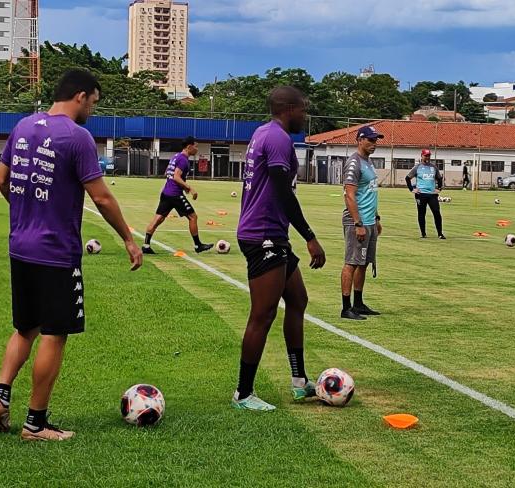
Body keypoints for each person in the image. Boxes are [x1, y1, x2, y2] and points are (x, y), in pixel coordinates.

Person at [0, 69, 143, 440]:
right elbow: (101, 196)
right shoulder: (77, 137)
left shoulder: (22, 126)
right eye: (93, 102)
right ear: (80, 96)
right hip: (55, 251)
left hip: (20, 246)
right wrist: (128, 239)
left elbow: (0, 181)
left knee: (26, 327)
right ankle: (35, 424)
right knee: (54, 334)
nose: (92, 109)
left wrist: (26, 212)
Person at [232, 86, 326, 411]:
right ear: (288, 108)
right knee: (263, 314)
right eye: (303, 108)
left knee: (298, 299)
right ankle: (243, 394)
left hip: (273, 233)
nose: (306, 114)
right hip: (264, 235)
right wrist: (310, 236)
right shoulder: (278, 139)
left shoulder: (263, 133)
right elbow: (284, 192)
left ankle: (300, 382)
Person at [341, 125, 383, 320]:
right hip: (357, 222)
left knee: (364, 262)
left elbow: (370, 193)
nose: (374, 144)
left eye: (376, 140)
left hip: (369, 221)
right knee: (351, 262)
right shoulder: (354, 163)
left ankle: (358, 304)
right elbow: (349, 195)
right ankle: (346, 307)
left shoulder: (368, 162)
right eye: (371, 140)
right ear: (360, 139)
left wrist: (376, 218)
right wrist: (358, 224)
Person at [142, 137, 212, 254]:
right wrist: (190, 188)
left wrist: (183, 187)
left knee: (158, 218)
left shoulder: (175, 156)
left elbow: (168, 173)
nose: (197, 149)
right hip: (175, 195)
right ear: (189, 146)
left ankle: (146, 245)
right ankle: (198, 245)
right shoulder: (183, 160)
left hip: (166, 193)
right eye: (196, 146)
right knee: (193, 217)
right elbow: (176, 176)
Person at [405, 149, 445, 239]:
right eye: (425, 155)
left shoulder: (433, 167)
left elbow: (439, 178)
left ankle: (440, 233)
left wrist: (439, 188)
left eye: (428, 155)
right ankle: (423, 233)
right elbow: (407, 178)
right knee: (421, 213)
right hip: (421, 194)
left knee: (436, 212)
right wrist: (412, 189)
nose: (427, 157)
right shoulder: (417, 167)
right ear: (422, 156)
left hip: (432, 194)